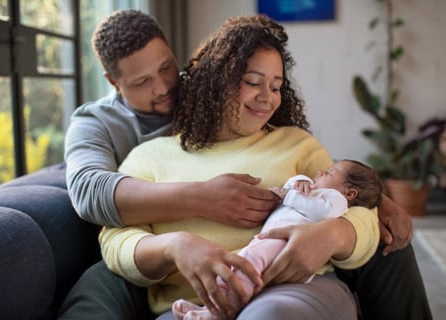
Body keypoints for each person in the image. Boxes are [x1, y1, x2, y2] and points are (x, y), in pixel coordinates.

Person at [59, 9, 432, 320]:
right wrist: (178, 240)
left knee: (390, 240)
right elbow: (100, 211)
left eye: (276, 86)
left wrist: (346, 225)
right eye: (252, 81)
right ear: (217, 78)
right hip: (190, 302)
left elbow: (349, 201)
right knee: (93, 291)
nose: (163, 87)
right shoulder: (132, 146)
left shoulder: (294, 143)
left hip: (287, 293)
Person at [172, 159, 383, 320]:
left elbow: (324, 212)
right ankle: (210, 307)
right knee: (240, 263)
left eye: (329, 172)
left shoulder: (335, 200)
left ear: (350, 193)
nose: (320, 172)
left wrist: (289, 195)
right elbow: (293, 189)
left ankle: (222, 312)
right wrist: (297, 182)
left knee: (246, 268)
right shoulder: (314, 190)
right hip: (270, 239)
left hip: (287, 244)